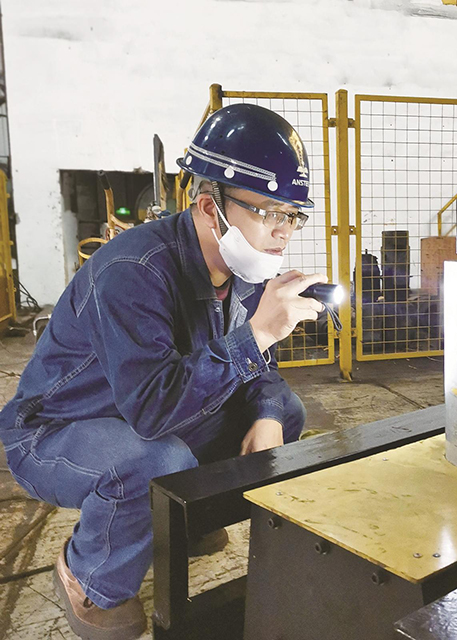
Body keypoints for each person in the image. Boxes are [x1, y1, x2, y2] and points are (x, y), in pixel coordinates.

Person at [0, 103, 326, 640]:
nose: (282, 232)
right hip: (56, 430)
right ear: (210, 207)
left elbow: (255, 374)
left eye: (292, 215)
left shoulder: (240, 268)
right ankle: (89, 577)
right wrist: (257, 335)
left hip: (141, 412)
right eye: (269, 212)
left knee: (282, 410)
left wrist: (268, 410)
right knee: (156, 459)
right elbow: (153, 411)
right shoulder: (133, 272)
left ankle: (184, 520)